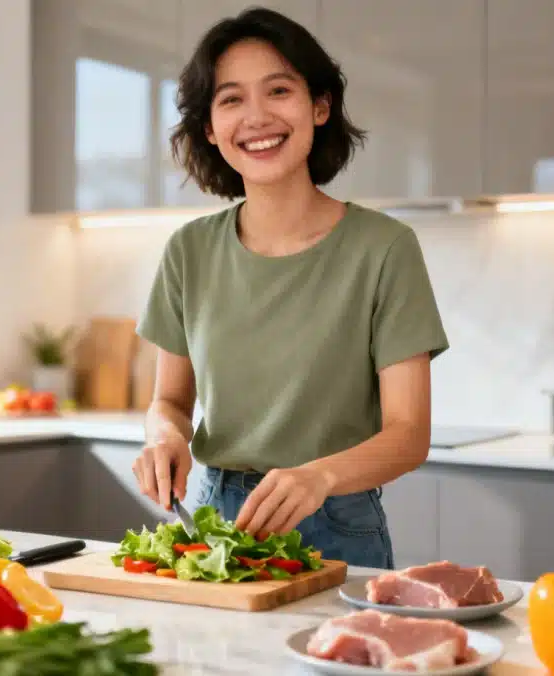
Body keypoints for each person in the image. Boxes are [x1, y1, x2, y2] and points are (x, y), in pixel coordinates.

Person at [131, 6, 448, 570]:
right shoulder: (189, 250)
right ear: (209, 127)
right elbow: (171, 401)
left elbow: (408, 433)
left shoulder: (385, 248)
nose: (256, 116)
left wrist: (318, 475)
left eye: (278, 90)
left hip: (336, 523)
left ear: (319, 106)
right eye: (231, 99)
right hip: (210, 523)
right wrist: (164, 438)